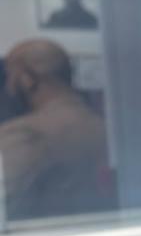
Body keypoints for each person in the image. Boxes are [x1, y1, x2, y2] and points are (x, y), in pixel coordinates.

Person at [0, 39, 112, 220]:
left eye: (10, 76)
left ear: (27, 79)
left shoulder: (23, 135)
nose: (8, 87)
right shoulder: (104, 127)